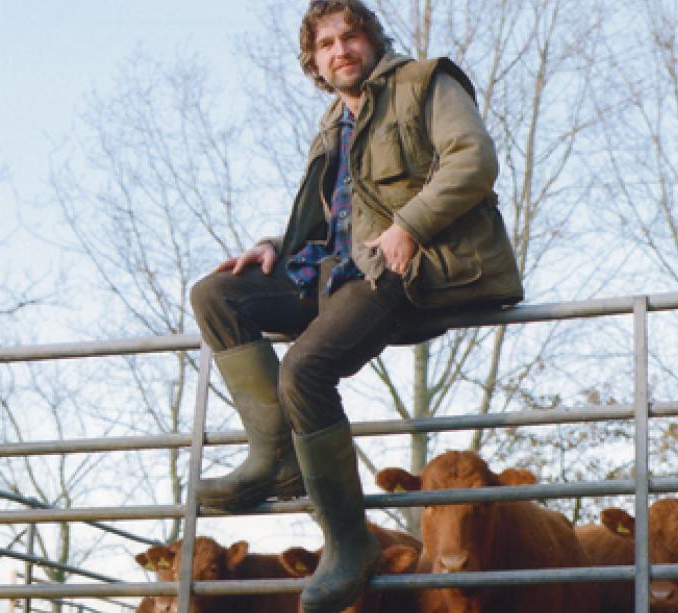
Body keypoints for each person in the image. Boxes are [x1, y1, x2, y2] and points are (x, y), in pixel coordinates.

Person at [189, 1, 522, 610]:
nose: (340, 50)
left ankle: (349, 543)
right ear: (314, 63)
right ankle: (276, 456)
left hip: (407, 265)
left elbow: (473, 158)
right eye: (326, 44)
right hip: (339, 271)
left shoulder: (424, 83)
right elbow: (332, 220)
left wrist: (411, 225)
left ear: (372, 41)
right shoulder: (332, 124)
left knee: (305, 370)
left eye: (351, 36)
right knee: (217, 294)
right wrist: (274, 247)